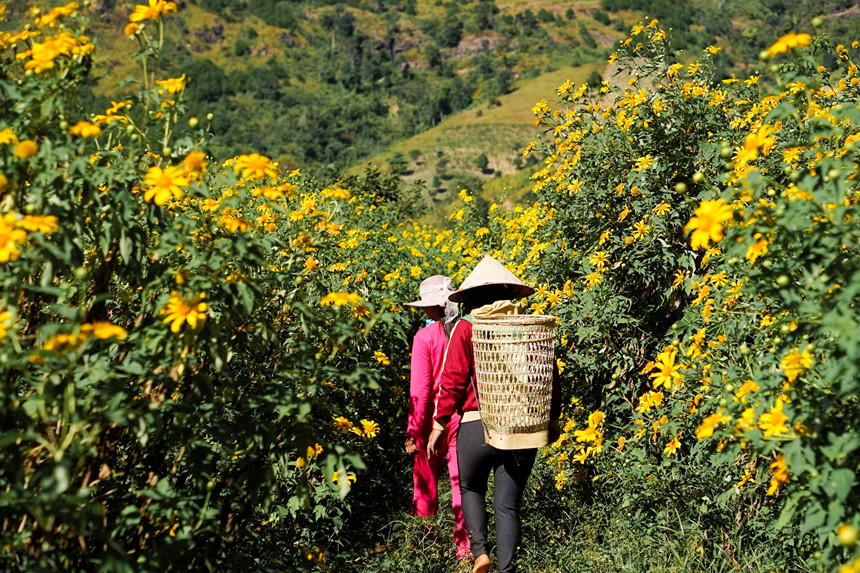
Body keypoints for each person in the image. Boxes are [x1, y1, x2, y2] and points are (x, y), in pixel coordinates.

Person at [427, 256, 561, 573]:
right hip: (519, 427)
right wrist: (552, 418)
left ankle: (480, 554)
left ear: (470, 297)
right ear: (510, 294)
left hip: (476, 427)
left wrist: (439, 423)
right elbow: (549, 376)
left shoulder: (465, 328)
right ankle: (507, 570)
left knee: (471, 489)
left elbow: (454, 380)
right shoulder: (527, 327)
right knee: (507, 504)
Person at [404, 275, 470, 560]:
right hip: (460, 415)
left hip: (431, 419)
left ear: (433, 307)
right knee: (461, 485)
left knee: (425, 483)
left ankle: (424, 543)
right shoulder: (467, 330)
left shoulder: (424, 338)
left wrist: (413, 430)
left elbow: (419, 389)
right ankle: (465, 550)